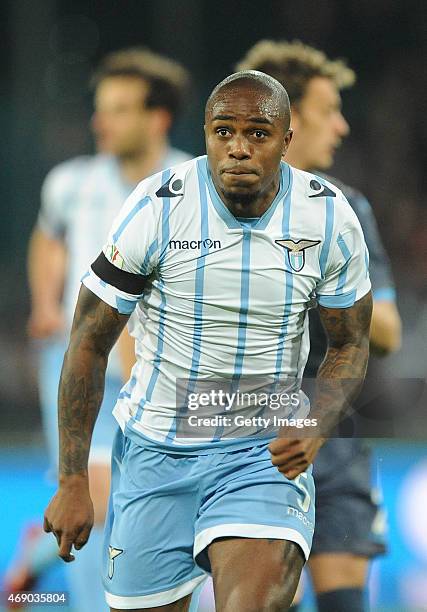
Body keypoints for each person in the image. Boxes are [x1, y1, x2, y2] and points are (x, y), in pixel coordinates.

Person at [44, 70, 373, 611]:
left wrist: (317, 422)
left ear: (286, 141)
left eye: (258, 135)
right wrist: (73, 478)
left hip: (260, 456)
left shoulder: (328, 216)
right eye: (224, 132)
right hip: (156, 454)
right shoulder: (157, 205)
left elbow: (351, 343)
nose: (238, 149)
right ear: (205, 133)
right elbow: (86, 340)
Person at [8, 47, 192, 612]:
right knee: (89, 490)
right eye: (100, 107)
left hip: (158, 367)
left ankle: (35, 562)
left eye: (117, 108)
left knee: (137, 494)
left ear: (157, 117)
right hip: (78, 364)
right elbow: (48, 235)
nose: (100, 121)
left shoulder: (190, 185)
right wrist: (44, 301)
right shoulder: (70, 182)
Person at [236, 40, 402, 611]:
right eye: (328, 109)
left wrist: (321, 286)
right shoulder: (210, 209)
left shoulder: (346, 211)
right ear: (288, 118)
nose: (341, 125)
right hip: (237, 434)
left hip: (330, 431)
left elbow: (386, 334)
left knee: (344, 604)